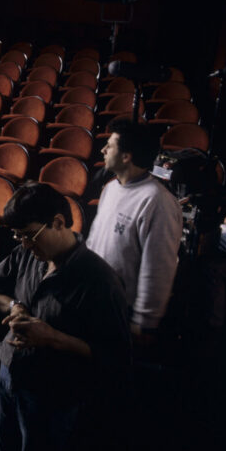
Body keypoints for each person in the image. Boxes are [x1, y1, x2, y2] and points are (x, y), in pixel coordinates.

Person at [0, 182, 131, 451]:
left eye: (30, 235)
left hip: (52, 394)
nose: (26, 245)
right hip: (9, 377)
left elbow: (117, 357)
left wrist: (54, 338)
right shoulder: (27, 253)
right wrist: (13, 305)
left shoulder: (100, 281)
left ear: (59, 222)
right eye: (18, 237)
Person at [86, 118, 183, 340]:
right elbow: (93, 242)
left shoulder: (158, 201)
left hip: (123, 311)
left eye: (109, 145)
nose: (102, 150)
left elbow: (158, 268)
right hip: (94, 299)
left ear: (126, 156)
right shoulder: (110, 188)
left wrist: (144, 321)